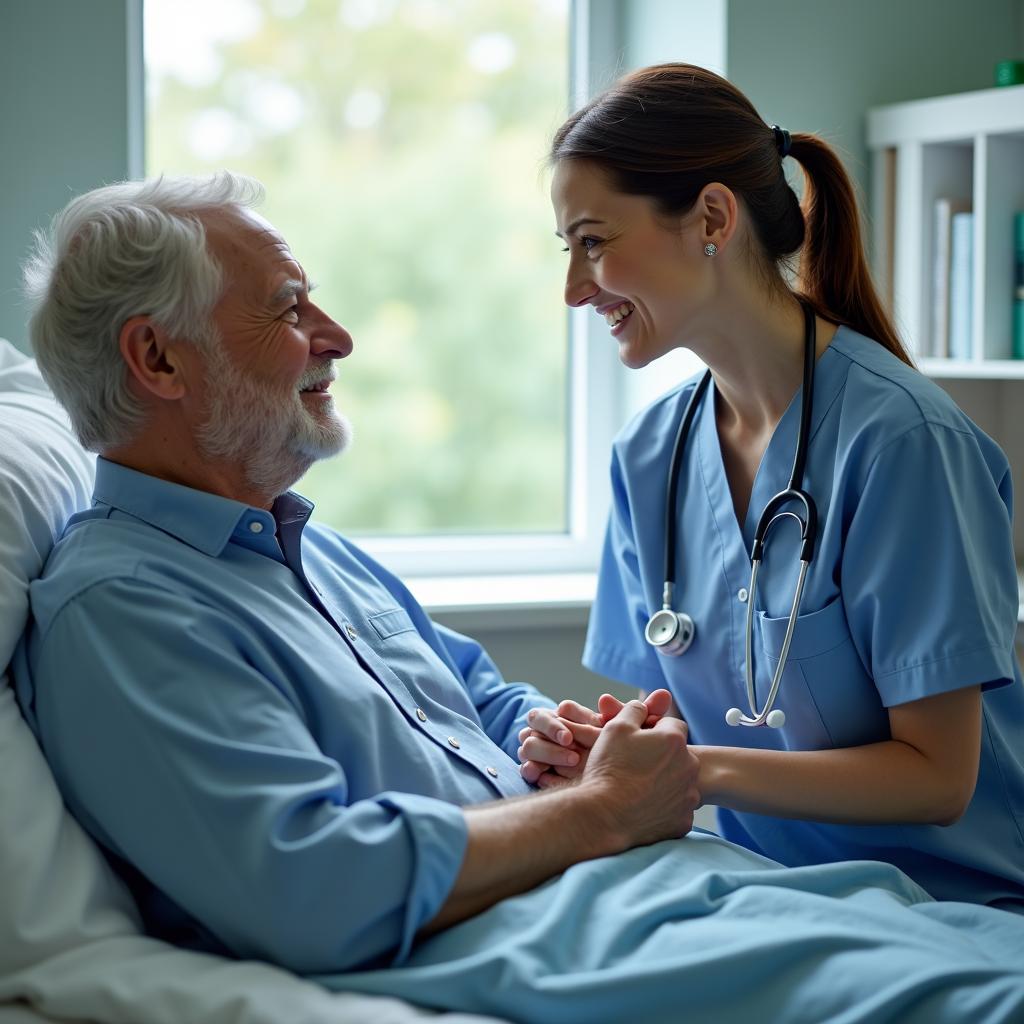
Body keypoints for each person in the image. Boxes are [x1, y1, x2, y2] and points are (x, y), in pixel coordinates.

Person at [12, 172, 701, 974]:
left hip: (631, 892)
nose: (336, 336)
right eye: (289, 308)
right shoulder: (122, 610)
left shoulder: (309, 545)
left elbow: (480, 697)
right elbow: (312, 888)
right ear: (159, 358)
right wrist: (606, 810)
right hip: (566, 941)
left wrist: (570, 743)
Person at [520, 62, 1024, 912]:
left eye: (594, 242)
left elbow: (939, 777)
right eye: (568, 249)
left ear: (712, 216)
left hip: (951, 906)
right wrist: (605, 749)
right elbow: (664, 718)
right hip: (764, 893)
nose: (574, 289)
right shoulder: (649, 455)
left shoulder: (903, 443)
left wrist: (691, 770)